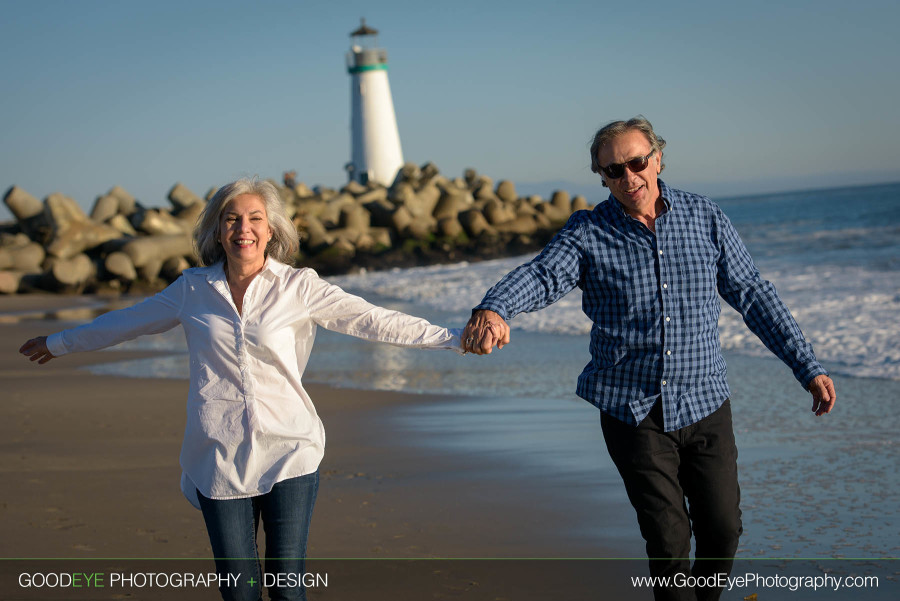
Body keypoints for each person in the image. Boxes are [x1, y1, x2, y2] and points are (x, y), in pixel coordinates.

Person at [19, 177, 464, 601]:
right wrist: (59, 343)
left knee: (287, 586)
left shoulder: (298, 287)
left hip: (290, 447)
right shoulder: (192, 290)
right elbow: (126, 322)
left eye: (254, 218)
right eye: (232, 219)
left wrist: (452, 338)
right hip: (219, 453)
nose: (243, 228)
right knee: (239, 590)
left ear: (271, 231)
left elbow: (372, 319)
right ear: (217, 229)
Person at [460, 116, 836, 601]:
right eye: (613, 171)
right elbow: (542, 275)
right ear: (602, 177)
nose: (629, 177)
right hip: (631, 410)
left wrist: (808, 366)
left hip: (705, 402)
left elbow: (753, 295)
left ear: (658, 158)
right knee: (667, 541)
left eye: (637, 163)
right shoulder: (588, 232)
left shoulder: (706, 217)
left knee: (723, 532)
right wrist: (494, 306)